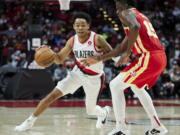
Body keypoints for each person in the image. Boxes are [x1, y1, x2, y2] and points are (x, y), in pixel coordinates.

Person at [81, 0, 168, 135]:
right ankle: (157, 126)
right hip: (159, 57)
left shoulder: (126, 13)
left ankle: (121, 128)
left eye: (117, 4)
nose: (116, 10)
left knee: (115, 85)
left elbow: (134, 27)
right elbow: (120, 48)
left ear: (125, 4)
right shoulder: (139, 16)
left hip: (149, 57)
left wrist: (127, 53)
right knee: (136, 87)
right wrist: (97, 59)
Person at [14, 12, 112, 131]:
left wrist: (97, 59)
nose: (80, 28)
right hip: (77, 73)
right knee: (51, 96)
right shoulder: (72, 41)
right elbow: (59, 59)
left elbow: (112, 52)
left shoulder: (97, 39)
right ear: (74, 26)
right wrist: (50, 53)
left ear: (88, 26)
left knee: (91, 110)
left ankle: (103, 113)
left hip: (94, 78)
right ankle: (29, 122)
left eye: (83, 25)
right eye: (77, 25)